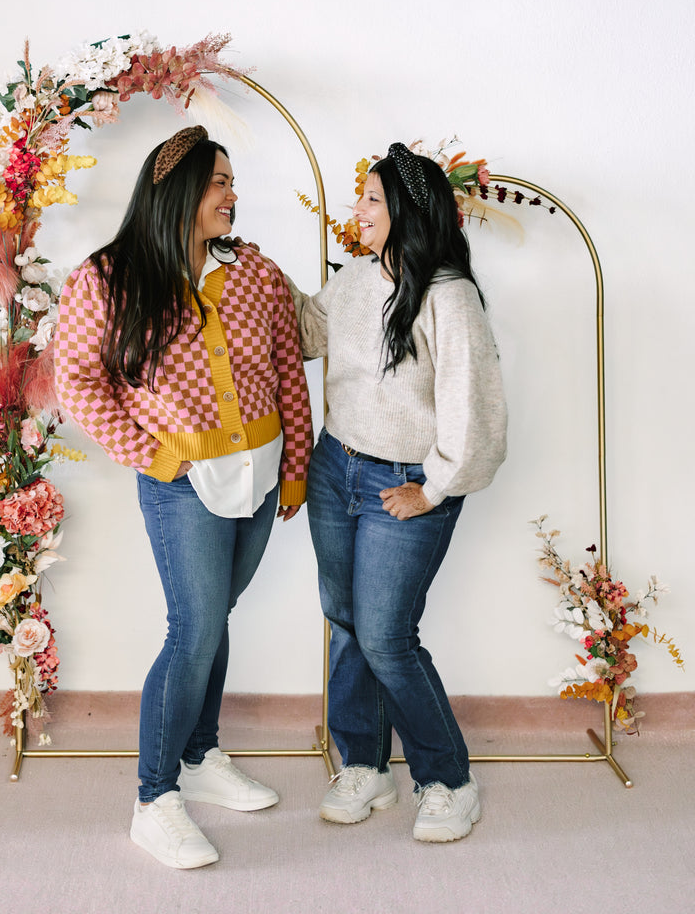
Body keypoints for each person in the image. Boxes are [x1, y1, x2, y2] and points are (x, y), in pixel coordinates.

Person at [53, 124, 312, 870]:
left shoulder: (255, 271)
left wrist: (293, 464)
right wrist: (152, 456)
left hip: (260, 478)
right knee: (193, 630)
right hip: (184, 485)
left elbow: (287, 368)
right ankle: (154, 797)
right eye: (222, 182)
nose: (234, 196)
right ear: (180, 191)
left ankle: (200, 756)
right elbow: (77, 381)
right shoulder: (108, 279)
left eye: (233, 181)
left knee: (213, 617)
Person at [290, 141, 507, 843]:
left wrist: (435, 487)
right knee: (347, 620)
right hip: (336, 468)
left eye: (372, 200)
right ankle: (364, 765)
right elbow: (308, 333)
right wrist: (257, 275)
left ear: (409, 210)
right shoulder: (355, 279)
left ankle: (447, 778)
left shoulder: (449, 295)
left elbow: (474, 412)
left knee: (387, 636)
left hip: (403, 484)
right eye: (360, 198)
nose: (358, 211)